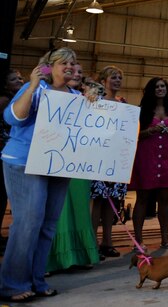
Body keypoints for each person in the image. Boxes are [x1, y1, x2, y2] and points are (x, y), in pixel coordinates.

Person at [1, 48, 79, 302]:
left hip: (57, 165)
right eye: (63, 62)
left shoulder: (76, 96)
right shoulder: (36, 89)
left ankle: (36, 279)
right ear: (49, 66)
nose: (69, 66)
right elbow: (13, 118)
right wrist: (32, 85)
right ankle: (12, 284)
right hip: (25, 162)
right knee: (27, 223)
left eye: (73, 63)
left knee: (47, 225)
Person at [47, 64, 101, 272]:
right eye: (73, 71)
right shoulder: (49, 93)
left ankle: (79, 255)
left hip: (80, 162)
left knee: (79, 208)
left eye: (80, 72)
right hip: (55, 158)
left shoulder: (86, 99)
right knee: (57, 210)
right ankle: (51, 258)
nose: (77, 74)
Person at [130, 77, 168, 249]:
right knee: (142, 198)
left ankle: (165, 239)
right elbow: (134, 134)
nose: (160, 89)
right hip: (147, 156)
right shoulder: (142, 110)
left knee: (164, 198)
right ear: (151, 90)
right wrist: (151, 130)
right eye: (157, 86)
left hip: (167, 156)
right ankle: (138, 240)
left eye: (163, 86)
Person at [88, 66, 129, 257]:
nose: (117, 80)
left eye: (120, 77)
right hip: (98, 156)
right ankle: (92, 242)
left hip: (116, 158)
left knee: (112, 200)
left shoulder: (123, 103)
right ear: (103, 80)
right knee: (97, 201)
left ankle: (108, 241)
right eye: (114, 77)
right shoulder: (96, 101)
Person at [0, 69, 23, 242]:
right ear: (6, 84)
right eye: (14, 79)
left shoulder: (21, 97)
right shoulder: (5, 100)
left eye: (21, 78)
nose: (19, 80)